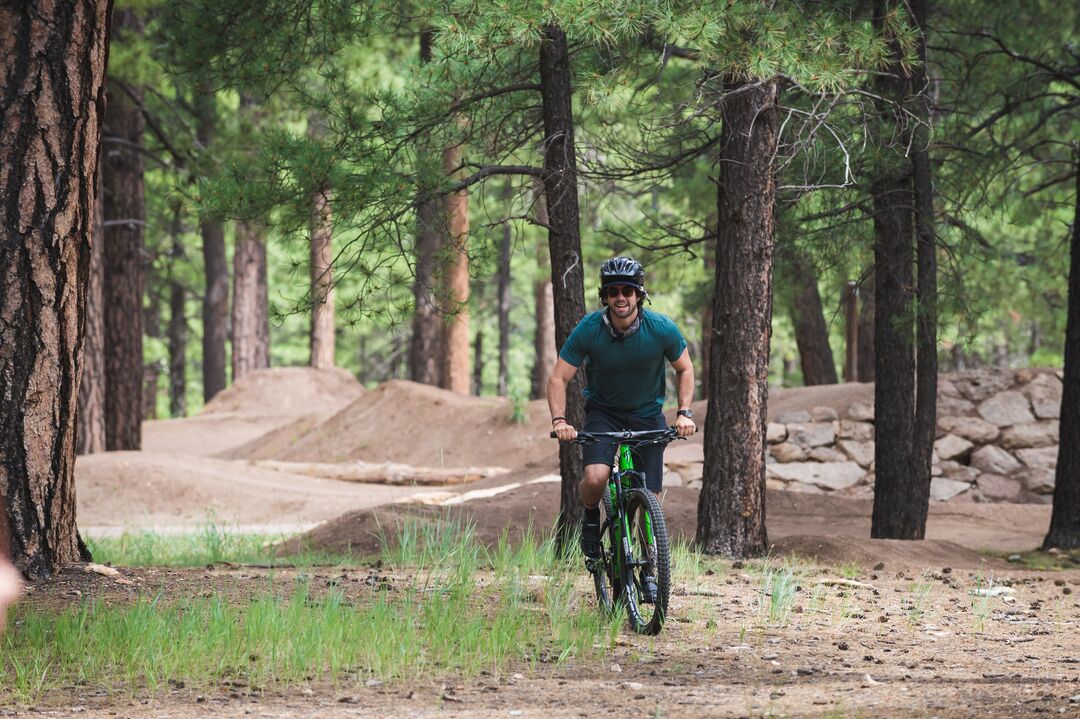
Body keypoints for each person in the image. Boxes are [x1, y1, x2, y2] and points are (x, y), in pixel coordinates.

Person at [547, 256, 696, 565]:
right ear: (606, 297)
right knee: (596, 477)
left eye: (627, 291)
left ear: (638, 295)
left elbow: (685, 369)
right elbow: (558, 377)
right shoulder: (590, 329)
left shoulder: (661, 328)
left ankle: (652, 565)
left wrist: (684, 413)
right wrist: (560, 420)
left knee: (650, 498)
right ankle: (590, 517)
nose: (620, 298)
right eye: (613, 292)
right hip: (604, 413)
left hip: (647, 415)